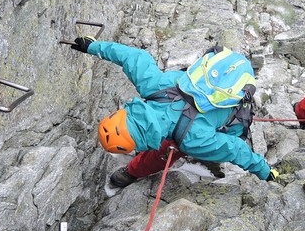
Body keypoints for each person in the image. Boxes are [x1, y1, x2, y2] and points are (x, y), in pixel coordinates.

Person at [69, 36, 278, 188]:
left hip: (228, 117)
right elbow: (133, 57)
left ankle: (131, 173)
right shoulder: (153, 85)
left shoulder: (192, 139)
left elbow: (235, 150)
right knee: (189, 138)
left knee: (165, 152)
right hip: (213, 84)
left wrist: (265, 172)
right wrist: (93, 46)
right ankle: (134, 169)